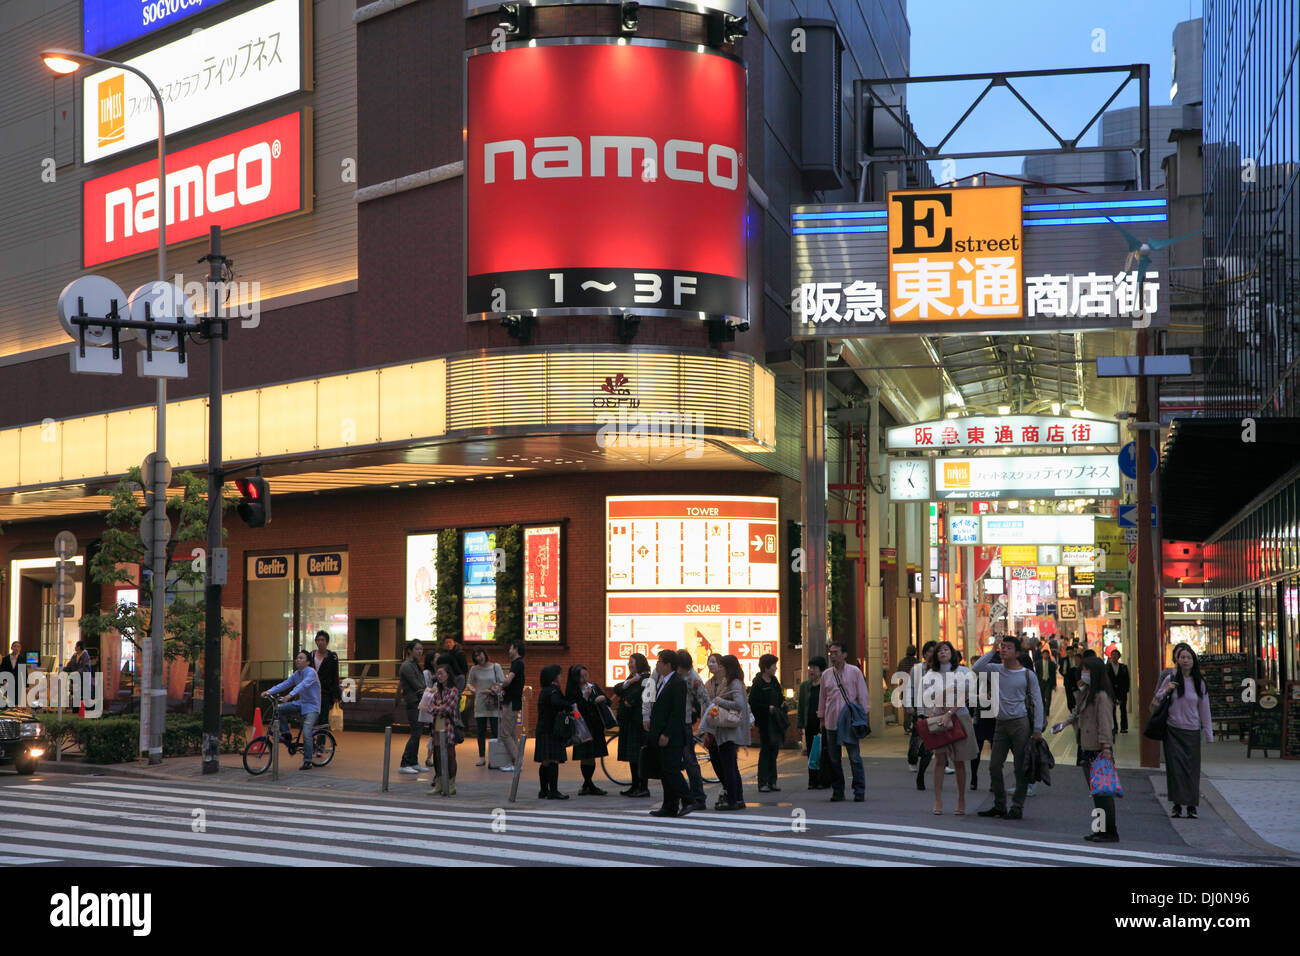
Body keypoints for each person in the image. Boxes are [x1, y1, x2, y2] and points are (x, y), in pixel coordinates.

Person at [973, 635, 1044, 820]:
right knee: (994, 766)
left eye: (1008, 648)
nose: (1004, 650)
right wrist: (993, 650)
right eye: (1002, 647)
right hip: (1001, 724)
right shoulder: (995, 670)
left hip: (1020, 723)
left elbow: (1037, 701)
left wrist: (1037, 728)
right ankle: (999, 805)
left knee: (1020, 767)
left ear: (1018, 652)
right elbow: (976, 667)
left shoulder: (1027, 675)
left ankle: (1017, 806)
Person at [1053, 655, 1118, 841]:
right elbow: (1076, 713)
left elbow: (1105, 723)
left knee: (1103, 793)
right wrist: (1063, 724)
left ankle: (1109, 832)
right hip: (1087, 746)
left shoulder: (1101, 696)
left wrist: (1106, 748)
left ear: (1095, 673)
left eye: (1087, 670)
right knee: (1096, 792)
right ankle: (1100, 829)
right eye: (1083, 669)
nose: (1083, 673)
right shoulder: (1087, 692)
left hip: (1099, 749)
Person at [1153, 642, 1213, 819]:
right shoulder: (1170, 679)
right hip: (1172, 730)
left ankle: (1192, 806)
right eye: (1182, 657)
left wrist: (1209, 733)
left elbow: (1205, 708)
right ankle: (1177, 805)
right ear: (1177, 660)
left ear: (1193, 661)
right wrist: (1167, 690)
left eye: (1189, 658)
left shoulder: (1199, 683)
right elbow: (1157, 696)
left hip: (1192, 731)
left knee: (1192, 770)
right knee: (1175, 769)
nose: (1185, 660)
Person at [921, 641, 976, 815]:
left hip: (960, 716)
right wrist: (948, 692)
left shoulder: (963, 671)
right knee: (939, 759)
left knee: (959, 761)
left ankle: (961, 800)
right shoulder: (930, 674)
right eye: (939, 651)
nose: (943, 652)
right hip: (938, 718)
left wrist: (949, 711)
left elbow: (965, 696)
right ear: (935, 655)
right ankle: (937, 800)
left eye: (946, 649)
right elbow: (928, 698)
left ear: (952, 653)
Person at [818, 641, 869, 802]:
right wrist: (822, 718)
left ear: (844, 654)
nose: (833, 656)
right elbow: (822, 698)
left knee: (854, 756)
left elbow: (862, 695)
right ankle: (838, 790)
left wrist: (864, 716)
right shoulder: (826, 674)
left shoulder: (854, 672)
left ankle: (859, 790)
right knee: (834, 758)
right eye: (830, 653)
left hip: (849, 722)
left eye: (836, 652)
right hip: (831, 722)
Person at [702, 653, 749, 810]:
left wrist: (719, 701)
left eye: (721, 665)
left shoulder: (734, 683)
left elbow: (740, 704)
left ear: (727, 667)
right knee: (730, 767)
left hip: (729, 731)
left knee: (729, 767)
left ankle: (733, 800)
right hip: (725, 730)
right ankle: (738, 798)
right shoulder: (727, 682)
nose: (719, 668)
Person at [648, 649, 691, 817]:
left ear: (667, 665)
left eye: (659, 661)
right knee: (665, 771)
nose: (657, 664)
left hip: (672, 736)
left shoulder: (677, 682)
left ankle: (688, 799)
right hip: (660, 733)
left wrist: (667, 733)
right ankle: (669, 805)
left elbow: (676, 712)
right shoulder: (663, 681)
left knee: (671, 769)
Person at [265, 650, 321, 770]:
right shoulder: (297, 674)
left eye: (301, 658)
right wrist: (269, 691)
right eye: (297, 658)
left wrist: (290, 695)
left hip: (312, 706)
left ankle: (308, 761)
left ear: (308, 662)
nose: (298, 660)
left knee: (306, 733)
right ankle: (286, 733)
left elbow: (303, 685)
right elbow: (285, 684)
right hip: (301, 703)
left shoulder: (311, 673)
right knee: (279, 709)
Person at [565, 664, 610, 796]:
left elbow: (607, 701)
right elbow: (575, 708)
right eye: (582, 676)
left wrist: (603, 698)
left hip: (595, 726)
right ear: (576, 678)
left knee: (592, 755)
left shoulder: (593, 687)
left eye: (586, 675)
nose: (585, 679)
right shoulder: (573, 691)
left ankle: (587, 785)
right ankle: (589, 784)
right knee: (585, 756)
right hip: (582, 727)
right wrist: (585, 697)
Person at [613, 653, 652, 797]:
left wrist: (629, 699)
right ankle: (635, 785)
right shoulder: (632, 677)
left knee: (639, 755)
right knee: (632, 757)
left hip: (639, 722)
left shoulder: (647, 678)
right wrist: (628, 683)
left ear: (640, 663)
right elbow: (617, 689)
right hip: (629, 721)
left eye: (632, 662)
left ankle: (643, 787)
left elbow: (640, 696)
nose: (629, 664)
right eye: (628, 662)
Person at [676, 650, 710, 811]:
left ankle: (697, 797)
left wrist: (706, 722)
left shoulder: (693, 678)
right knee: (683, 762)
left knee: (689, 761)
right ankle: (688, 796)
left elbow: (705, 700)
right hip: (678, 722)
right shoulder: (680, 675)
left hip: (684, 723)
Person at [749, 654, 785, 792]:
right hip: (764, 722)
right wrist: (767, 708)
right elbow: (753, 703)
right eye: (773, 665)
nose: (775, 668)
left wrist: (782, 703)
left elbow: (780, 695)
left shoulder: (774, 681)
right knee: (765, 751)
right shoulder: (758, 683)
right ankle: (763, 782)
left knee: (774, 750)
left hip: (775, 720)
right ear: (766, 667)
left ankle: (773, 781)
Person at [533, 663, 569, 800]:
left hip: (542, 729)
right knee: (553, 760)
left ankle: (543, 791)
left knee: (545, 761)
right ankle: (553, 791)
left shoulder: (545, 690)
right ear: (554, 677)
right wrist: (569, 704)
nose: (561, 677)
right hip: (552, 730)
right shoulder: (553, 690)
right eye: (560, 674)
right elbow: (556, 703)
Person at [467, 648, 505, 766]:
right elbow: (469, 683)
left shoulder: (495, 667)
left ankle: (496, 756)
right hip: (480, 703)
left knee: (495, 731)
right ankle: (482, 757)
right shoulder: (474, 669)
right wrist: (473, 689)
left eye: (480, 654)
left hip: (493, 703)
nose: (479, 658)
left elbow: (502, 682)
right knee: (481, 731)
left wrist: (491, 689)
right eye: (476, 656)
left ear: (485, 654)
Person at [426, 664, 461, 794]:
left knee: (450, 755)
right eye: (437, 674)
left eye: (441, 673)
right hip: (436, 728)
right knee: (437, 756)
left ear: (448, 674)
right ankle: (439, 783)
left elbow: (449, 708)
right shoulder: (438, 691)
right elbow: (429, 707)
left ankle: (452, 784)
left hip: (449, 727)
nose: (439, 676)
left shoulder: (453, 690)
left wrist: (438, 707)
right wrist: (439, 707)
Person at [797, 656, 831, 789]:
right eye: (810, 668)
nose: (811, 671)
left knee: (823, 752)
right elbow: (801, 706)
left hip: (823, 724)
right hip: (809, 724)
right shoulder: (805, 686)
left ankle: (824, 779)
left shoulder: (826, 685)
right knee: (811, 752)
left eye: (814, 668)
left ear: (821, 670)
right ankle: (812, 780)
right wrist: (800, 725)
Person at [909, 641, 938, 786]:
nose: (932, 654)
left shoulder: (942, 669)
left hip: (938, 711)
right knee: (919, 739)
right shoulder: (917, 669)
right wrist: (909, 704)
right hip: (921, 710)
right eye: (929, 651)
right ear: (924, 653)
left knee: (931, 746)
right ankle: (916, 764)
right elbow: (911, 687)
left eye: (935, 651)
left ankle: (921, 774)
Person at [498, 640, 525, 772]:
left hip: (511, 702)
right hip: (514, 701)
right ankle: (515, 762)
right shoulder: (518, 664)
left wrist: (499, 686)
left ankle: (517, 762)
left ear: (516, 649)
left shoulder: (517, 663)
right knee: (513, 734)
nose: (509, 650)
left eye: (510, 648)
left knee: (505, 733)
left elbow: (508, 680)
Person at [312, 631, 341, 729]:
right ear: (316, 642)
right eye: (318, 640)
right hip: (312, 691)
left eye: (323, 640)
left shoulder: (332, 656)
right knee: (312, 717)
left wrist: (336, 694)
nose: (320, 642)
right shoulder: (311, 655)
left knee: (323, 718)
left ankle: (321, 742)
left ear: (327, 642)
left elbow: (335, 675)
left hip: (325, 692)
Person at [1108, 649, 1131, 734]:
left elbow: (1127, 680)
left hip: (1122, 692)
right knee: (1112, 710)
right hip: (1111, 692)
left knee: (1123, 709)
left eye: (1116, 655)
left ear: (1119, 657)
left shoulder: (1123, 667)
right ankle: (1114, 727)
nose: (1114, 657)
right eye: (1112, 655)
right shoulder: (1107, 667)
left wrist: (1126, 690)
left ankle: (1124, 727)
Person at [895, 645, 918, 732]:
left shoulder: (902, 662)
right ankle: (915, 724)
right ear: (915, 652)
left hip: (904, 685)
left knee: (906, 706)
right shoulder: (917, 662)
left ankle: (906, 726)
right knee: (915, 705)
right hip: (914, 686)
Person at [1034, 641, 1057, 720]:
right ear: (1042, 655)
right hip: (1041, 682)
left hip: (1049, 682)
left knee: (1048, 697)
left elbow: (1054, 675)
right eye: (1044, 654)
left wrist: (1054, 685)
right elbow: (1036, 673)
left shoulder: (1052, 664)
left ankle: (1047, 710)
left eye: (1047, 654)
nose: (1045, 655)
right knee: (1042, 697)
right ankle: (1043, 709)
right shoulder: (1037, 664)